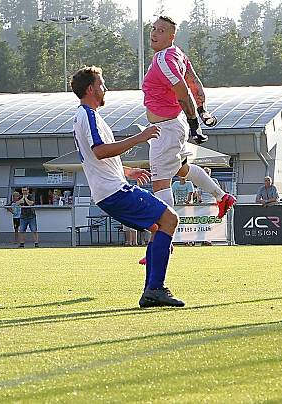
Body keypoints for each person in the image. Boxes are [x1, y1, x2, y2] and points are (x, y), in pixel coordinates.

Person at [72, 66, 184, 307]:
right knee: (170, 219)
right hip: (113, 191)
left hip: (110, 189)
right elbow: (99, 151)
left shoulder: (87, 116)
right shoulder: (87, 115)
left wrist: (126, 170)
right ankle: (155, 289)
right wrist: (140, 137)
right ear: (91, 89)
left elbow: (94, 159)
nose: (105, 89)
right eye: (101, 84)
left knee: (158, 227)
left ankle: (152, 290)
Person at [142, 15, 236, 219]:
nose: (154, 33)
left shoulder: (163, 60)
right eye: (153, 28)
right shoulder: (175, 54)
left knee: (160, 184)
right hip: (173, 125)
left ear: (171, 36)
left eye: (161, 31)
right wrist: (202, 111)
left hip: (165, 130)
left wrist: (195, 124)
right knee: (183, 170)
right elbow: (194, 82)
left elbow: (184, 92)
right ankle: (221, 196)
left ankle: (165, 239)